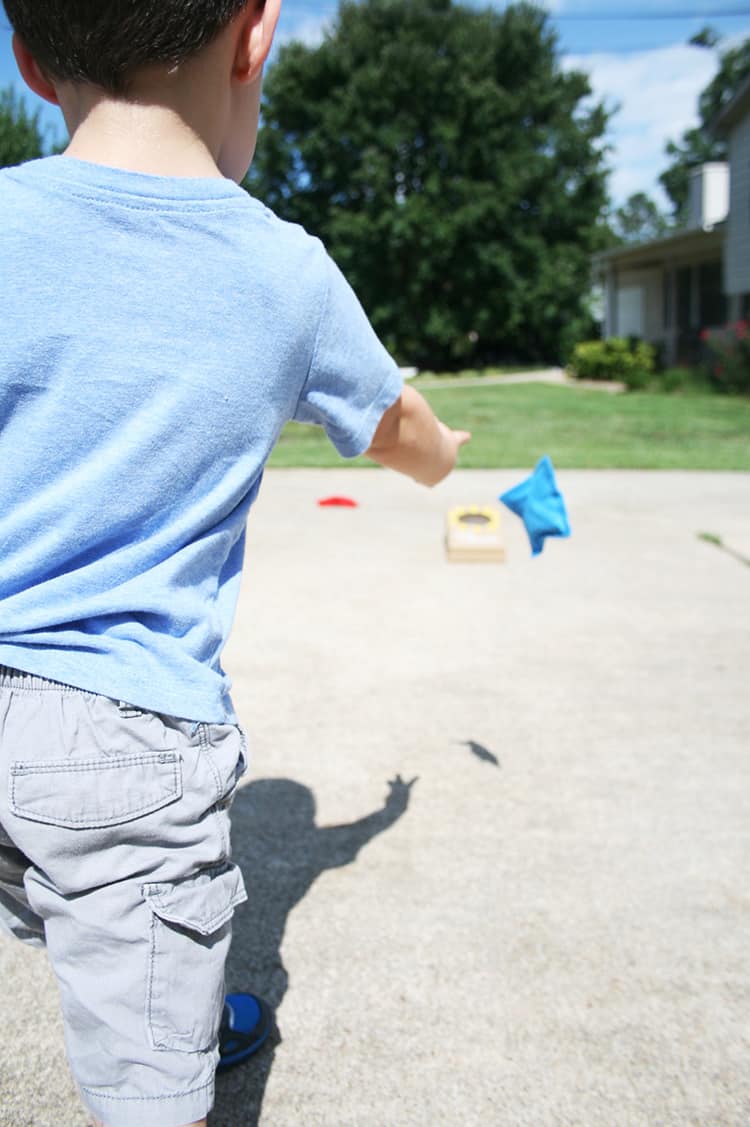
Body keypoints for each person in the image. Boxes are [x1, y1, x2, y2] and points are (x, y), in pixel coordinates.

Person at [0, 2, 471, 1125]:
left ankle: (180, 1001)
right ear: (255, 34)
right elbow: (399, 428)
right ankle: (172, 1025)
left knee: (75, 894)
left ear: (26, 59)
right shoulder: (284, 270)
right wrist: (446, 453)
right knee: (138, 978)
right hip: (119, 732)